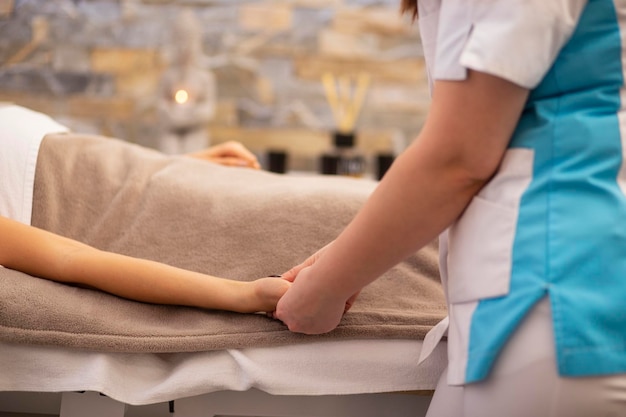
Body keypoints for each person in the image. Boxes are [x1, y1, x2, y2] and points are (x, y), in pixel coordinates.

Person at [274, 0, 626, 416]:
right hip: (536, 293)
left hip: (553, 296)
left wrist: (326, 288)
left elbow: (457, 160)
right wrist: (347, 257)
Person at [0, 104, 282, 314]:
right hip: (130, 201)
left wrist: (169, 163)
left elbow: (87, 159)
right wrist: (244, 295)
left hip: (145, 171)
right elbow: (73, 259)